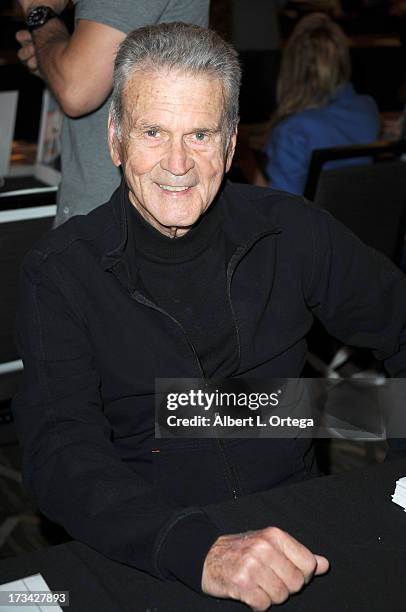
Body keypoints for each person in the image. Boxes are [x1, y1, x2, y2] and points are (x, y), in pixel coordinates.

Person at [12, 22, 406, 611]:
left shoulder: (291, 231)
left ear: (230, 144)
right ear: (115, 139)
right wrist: (195, 549)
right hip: (148, 543)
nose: (178, 163)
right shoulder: (61, 273)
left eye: (200, 134)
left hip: (297, 524)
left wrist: (396, 475)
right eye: (152, 132)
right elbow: (61, 452)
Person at [15, 0, 209, 225]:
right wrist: (55, 62)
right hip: (124, 216)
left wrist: (38, 8)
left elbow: (76, 91)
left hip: (121, 224)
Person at [265, 12, 380, 196]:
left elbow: (281, 210)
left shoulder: (293, 132)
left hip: (307, 223)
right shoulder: (368, 110)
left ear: (292, 66)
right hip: (362, 221)